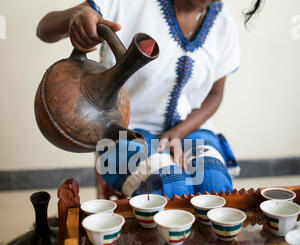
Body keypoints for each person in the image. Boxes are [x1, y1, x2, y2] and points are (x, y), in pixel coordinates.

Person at [37, 0, 263, 198]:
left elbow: (215, 95)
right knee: (171, 188)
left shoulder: (223, 23)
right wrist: (73, 18)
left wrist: (177, 133)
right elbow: (44, 29)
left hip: (192, 129)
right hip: (124, 134)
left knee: (217, 191)